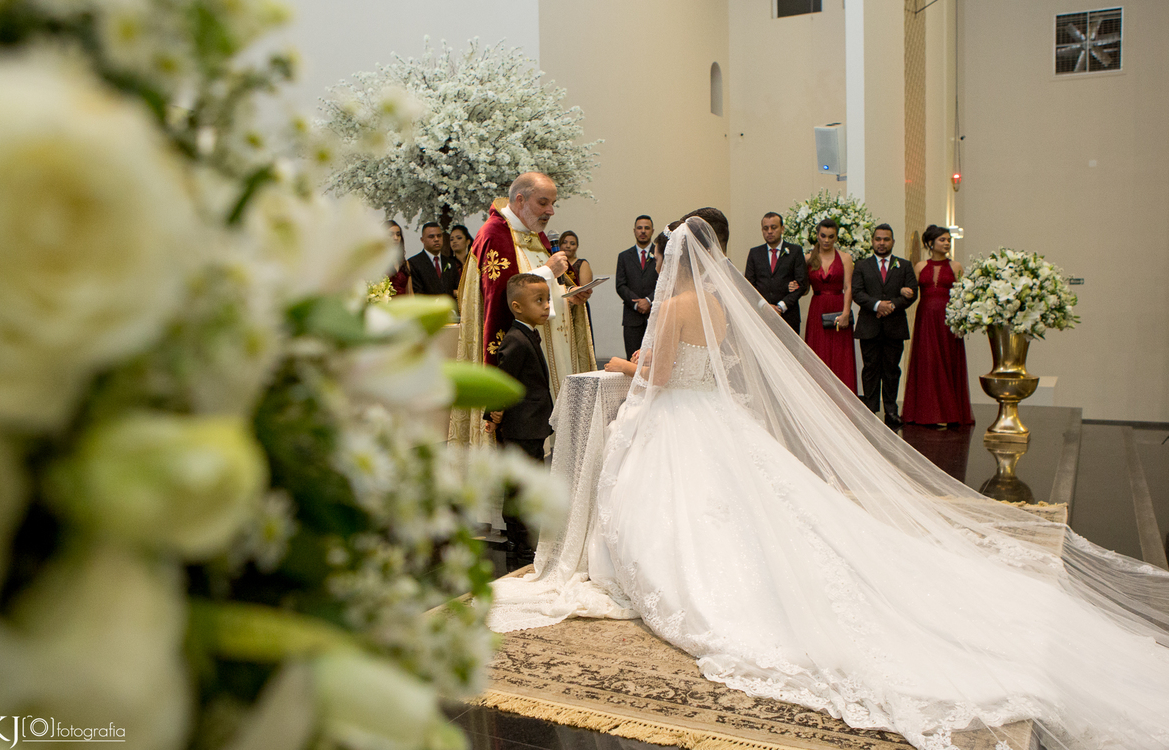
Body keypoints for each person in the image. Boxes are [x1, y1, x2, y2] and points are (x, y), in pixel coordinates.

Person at [490, 218, 1169, 750]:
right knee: (752, 506)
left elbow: (658, 376)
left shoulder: (672, 309)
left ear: (670, 260)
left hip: (677, 424)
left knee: (679, 515)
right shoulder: (724, 305)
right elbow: (715, 367)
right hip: (718, 422)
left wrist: (618, 361)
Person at [450, 172, 595, 447]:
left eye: (553, 204)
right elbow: (505, 296)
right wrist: (549, 271)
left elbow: (545, 286)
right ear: (520, 199)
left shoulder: (535, 234)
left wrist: (569, 295)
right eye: (543, 203)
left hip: (554, 350)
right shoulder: (494, 235)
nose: (550, 211)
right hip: (523, 354)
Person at [903, 225, 975, 426]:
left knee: (947, 361)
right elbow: (911, 290)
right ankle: (927, 413)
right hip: (925, 318)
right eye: (942, 240)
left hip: (947, 320)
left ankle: (951, 414)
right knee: (928, 361)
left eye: (947, 240)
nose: (946, 243)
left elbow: (964, 295)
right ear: (931, 243)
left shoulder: (956, 266)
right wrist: (905, 292)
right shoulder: (919, 266)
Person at [852, 224, 917, 427]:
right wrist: (877, 305)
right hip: (869, 326)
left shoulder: (904, 265)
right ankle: (870, 410)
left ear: (893, 242)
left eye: (886, 239)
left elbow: (912, 291)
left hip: (894, 326)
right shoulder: (862, 265)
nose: (881, 243)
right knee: (870, 368)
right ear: (872, 241)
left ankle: (891, 410)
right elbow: (857, 292)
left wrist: (893, 305)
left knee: (891, 369)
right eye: (878, 239)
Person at [484, 273, 554, 462]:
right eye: (539, 301)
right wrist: (493, 413)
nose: (547, 306)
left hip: (532, 424)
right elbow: (503, 379)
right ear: (517, 307)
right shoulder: (516, 340)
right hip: (522, 426)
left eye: (547, 299)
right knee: (522, 483)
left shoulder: (527, 334)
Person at [801, 218, 856, 391]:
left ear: (836, 237)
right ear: (817, 235)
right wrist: (794, 285)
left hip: (839, 306)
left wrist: (846, 312)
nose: (826, 240)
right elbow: (804, 289)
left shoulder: (845, 258)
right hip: (817, 308)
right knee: (818, 353)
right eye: (823, 236)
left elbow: (848, 287)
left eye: (831, 236)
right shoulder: (808, 258)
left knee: (841, 355)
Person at [744, 212, 808, 334]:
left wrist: (781, 306)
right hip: (761, 316)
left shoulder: (795, 251)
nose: (769, 231)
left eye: (774, 227)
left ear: (782, 229)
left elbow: (802, 284)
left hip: (788, 316)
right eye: (765, 228)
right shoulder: (754, 253)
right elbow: (749, 285)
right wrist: (764, 306)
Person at [615, 215, 658, 360]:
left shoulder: (660, 255)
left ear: (652, 231)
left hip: (655, 316)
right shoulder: (624, 257)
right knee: (632, 360)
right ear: (634, 231)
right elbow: (620, 285)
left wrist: (649, 300)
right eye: (640, 228)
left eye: (647, 228)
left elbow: (665, 282)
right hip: (632, 319)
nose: (643, 231)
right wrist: (637, 303)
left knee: (656, 360)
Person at [409, 222, 460, 298]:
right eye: (431, 237)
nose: (436, 239)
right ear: (422, 240)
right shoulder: (414, 263)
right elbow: (417, 294)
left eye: (439, 236)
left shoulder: (450, 262)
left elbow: (457, 288)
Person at [559, 230, 594, 341]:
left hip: (578, 307)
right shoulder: (554, 264)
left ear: (577, 247)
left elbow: (585, 289)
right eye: (565, 242)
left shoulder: (582, 264)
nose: (568, 246)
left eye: (572, 243)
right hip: (559, 307)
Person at [385, 220, 411, 295]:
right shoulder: (378, 262)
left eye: (398, 234)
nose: (395, 238)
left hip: (404, 305)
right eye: (391, 234)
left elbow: (409, 292)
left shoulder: (404, 263)